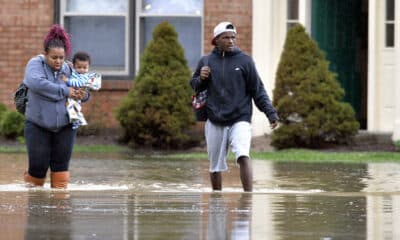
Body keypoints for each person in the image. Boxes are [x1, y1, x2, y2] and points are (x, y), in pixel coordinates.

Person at [190, 21, 279, 192]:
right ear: (216, 40)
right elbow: (194, 85)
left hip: (240, 118)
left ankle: (248, 197)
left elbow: (258, 90)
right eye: (226, 38)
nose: (231, 41)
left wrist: (271, 113)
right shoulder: (206, 61)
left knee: (243, 154)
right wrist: (201, 78)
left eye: (233, 37)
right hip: (214, 119)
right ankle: (216, 198)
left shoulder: (245, 61)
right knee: (215, 165)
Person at [22, 25, 89, 189]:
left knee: (61, 171)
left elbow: (84, 90)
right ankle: (35, 207)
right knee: (38, 169)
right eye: (54, 57)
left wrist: (83, 95)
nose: (58, 61)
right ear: (45, 54)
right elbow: (36, 83)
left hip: (66, 126)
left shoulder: (69, 68)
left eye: (61, 57)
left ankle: (60, 209)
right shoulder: (35, 64)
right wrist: (66, 91)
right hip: (38, 125)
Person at [61, 51, 102, 129]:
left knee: (73, 107)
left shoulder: (85, 76)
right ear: (74, 66)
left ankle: (76, 121)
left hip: (76, 95)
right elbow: (72, 71)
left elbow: (78, 83)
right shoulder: (75, 72)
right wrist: (70, 66)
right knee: (69, 108)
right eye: (79, 67)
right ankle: (75, 120)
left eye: (85, 68)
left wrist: (67, 81)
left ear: (88, 67)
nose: (82, 70)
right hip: (69, 94)